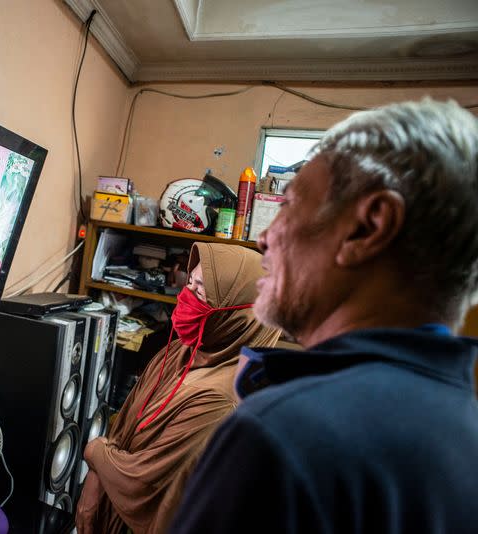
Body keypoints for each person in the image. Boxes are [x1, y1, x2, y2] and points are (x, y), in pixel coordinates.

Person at [171, 99, 478, 534]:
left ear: (367, 227)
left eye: (291, 205)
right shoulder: (463, 427)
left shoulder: (281, 435)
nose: (264, 238)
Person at [76, 242, 281, 534]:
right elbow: (124, 425)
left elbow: (142, 481)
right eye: (190, 283)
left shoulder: (221, 401)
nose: (186, 297)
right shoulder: (180, 351)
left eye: (200, 292)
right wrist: (97, 477)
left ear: (238, 317)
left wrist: (94, 451)